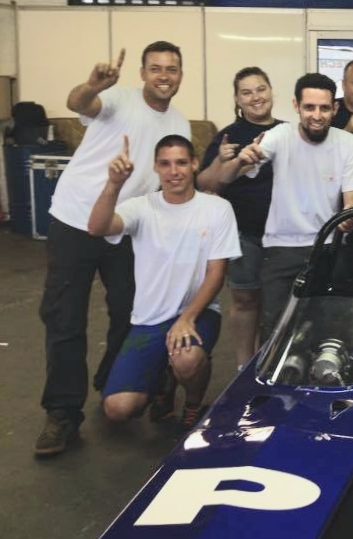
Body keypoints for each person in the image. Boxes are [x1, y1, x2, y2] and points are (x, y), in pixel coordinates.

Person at [35, 42, 190, 457]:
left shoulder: (178, 122)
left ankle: (112, 380)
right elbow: (79, 102)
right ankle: (63, 412)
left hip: (124, 229)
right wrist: (92, 85)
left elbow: (172, 180)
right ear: (142, 73)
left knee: (131, 312)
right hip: (75, 220)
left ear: (180, 75)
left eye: (171, 69)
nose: (164, 75)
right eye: (156, 68)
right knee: (65, 318)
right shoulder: (118, 98)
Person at [89, 134, 240, 429]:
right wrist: (113, 184)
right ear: (156, 168)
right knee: (118, 409)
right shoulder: (141, 207)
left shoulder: (217, 209)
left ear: (195, 164)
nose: (174, 171)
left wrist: (187, 318)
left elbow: (216, 273)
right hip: (149, 319)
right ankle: (162, 381)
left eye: (181, 163)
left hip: (198, 313)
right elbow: (97, 227)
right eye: (165, 164)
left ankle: (193, 403)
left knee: (186, 359)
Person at [220, 73, 353, 343]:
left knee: (329, 330)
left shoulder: (348, 144)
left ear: (335, 109)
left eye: (324, 108)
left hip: (327, 246)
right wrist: (241, 160)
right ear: (296, 106)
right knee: (276, 332)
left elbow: (351, 201)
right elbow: (227, 177)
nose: (317, 115)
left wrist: (348, 217)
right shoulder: (279, 136)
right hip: (281, 247)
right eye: (309, 107)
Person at [197, 66, 283, 367]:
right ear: (237, 99)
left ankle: (275, 365)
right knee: (246, 300)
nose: (255, 97)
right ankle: (244, 366)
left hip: (284, 236)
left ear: (271, 91)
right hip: (243, 232)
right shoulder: (228, 137)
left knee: (280, 303)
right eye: (246, 92)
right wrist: (222, 161)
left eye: (260, 89)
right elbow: (205, 184)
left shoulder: (287, 131)